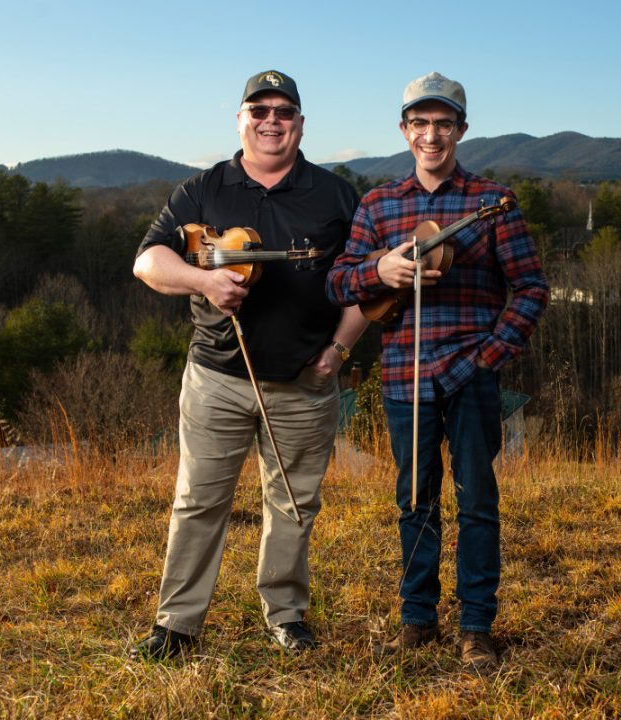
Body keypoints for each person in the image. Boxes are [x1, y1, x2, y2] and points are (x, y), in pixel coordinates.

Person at [131, 69, 367, 660]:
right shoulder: (203, 188)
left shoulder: (336, 195)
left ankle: (286, 615)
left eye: (283, 111)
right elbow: (148, 261)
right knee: (198, 500)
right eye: (258, 110)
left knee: (293, 502)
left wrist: (338, 351)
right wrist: (203, 280)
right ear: (240, 120)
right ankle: (178, 624)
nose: (270, 120)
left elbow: (368, 282)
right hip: (216, 378)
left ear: (300, 124)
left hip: (305, 382)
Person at [326, 71, 549, 670]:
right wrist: (381, 274)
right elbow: (339, 281)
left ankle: (476, 625)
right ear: (404, 131)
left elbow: (530, 287)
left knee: (477, 501)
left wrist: (491, 354)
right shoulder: (378, 205)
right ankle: (416, 618)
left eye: (443, 124)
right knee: (415, 501)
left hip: (470, 374)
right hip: (404, 377)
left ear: (462, 130)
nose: (431, 135)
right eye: (420, 123)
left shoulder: (489, 200)